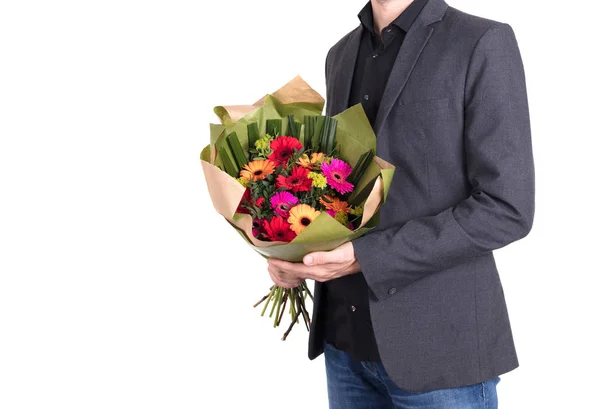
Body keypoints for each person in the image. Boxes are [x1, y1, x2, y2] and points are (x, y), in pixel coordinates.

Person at [267, 0, 534, 407]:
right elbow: (337, 189)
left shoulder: (481, 41)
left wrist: (367, 257)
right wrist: (293, 249)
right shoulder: (340, 55)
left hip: (440, 351)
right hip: (344, 344)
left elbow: (506, 208)